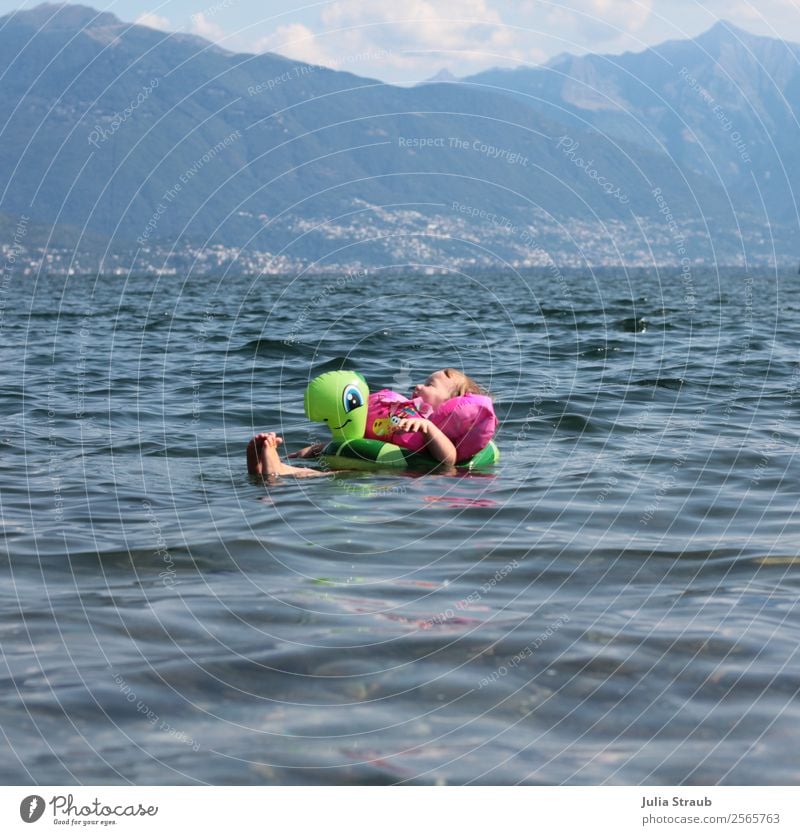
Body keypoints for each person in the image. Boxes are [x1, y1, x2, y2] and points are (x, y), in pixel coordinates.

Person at [246, 368, 494, 477]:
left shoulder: (435, 427)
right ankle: (281, 461)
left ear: (453, 402)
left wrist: (429, 428)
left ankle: (281, 471)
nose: (418, 385)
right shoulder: (410, 411)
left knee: (338, 475)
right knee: (330, 450)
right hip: (374, 451)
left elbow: (448, 459)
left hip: (402, 471)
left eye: (429, 385)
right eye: (421, 380)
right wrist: (308, 450)